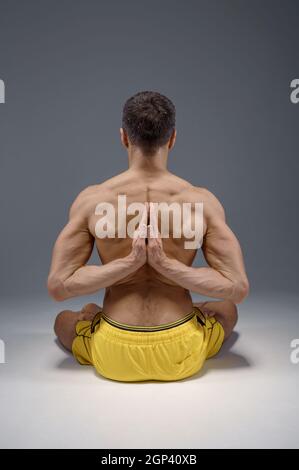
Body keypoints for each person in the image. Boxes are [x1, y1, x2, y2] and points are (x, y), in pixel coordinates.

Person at [47, 91, 249, 382]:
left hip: (114, 351)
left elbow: (59, 286)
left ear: (124, 138)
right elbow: (238, 289)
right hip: (182, 350)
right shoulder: (201, 202)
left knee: (64, 320)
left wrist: (127, 264)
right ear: (173, 138)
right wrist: (168, 266)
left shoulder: (92, 200)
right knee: (226, 309)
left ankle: (91, 321)